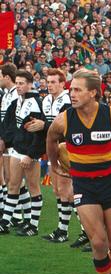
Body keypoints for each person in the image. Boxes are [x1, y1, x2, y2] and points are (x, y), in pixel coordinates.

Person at [45, 69, 111, 274]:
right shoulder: (64, 119)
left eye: (77, 90)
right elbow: (51, 139)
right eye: (71, 89)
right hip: (83, 184)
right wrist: (54, 165)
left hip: (110, 183)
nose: (72, 94)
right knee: (99, 242)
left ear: (93, 92)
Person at [0, 70, 47, 236]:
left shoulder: (34, 102)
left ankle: (33, 226)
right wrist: (4, 140)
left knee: (34, 187)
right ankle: (5, 223)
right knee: (13, 185)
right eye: (17, 83)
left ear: (29, 84)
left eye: (22, 84)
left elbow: (39, 134)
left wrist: (31, 154)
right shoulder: (19, 100)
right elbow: (10, 124)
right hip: (18, 149)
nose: (19, 86)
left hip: (29, 153)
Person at [40, 69, 73, 243]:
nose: (49, 85)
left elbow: (61, 128)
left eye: (54, 82)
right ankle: (62, 230)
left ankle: (85, 232)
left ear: (62, 84)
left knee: (69, 193)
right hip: (54, 149)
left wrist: (42, 125)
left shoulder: (67, 100)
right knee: (58, 191)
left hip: (67, 149)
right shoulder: (46, 100)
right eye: (48, 81)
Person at [0, 63, 19, 218]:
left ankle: (16, 214)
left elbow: (12, 122)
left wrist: (5, 139)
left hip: (12, 141)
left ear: (6, 77)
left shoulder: (14, 94)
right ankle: (10, 211)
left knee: (14, 178)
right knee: (8, 177)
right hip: (5, 139)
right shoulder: (7, 94)